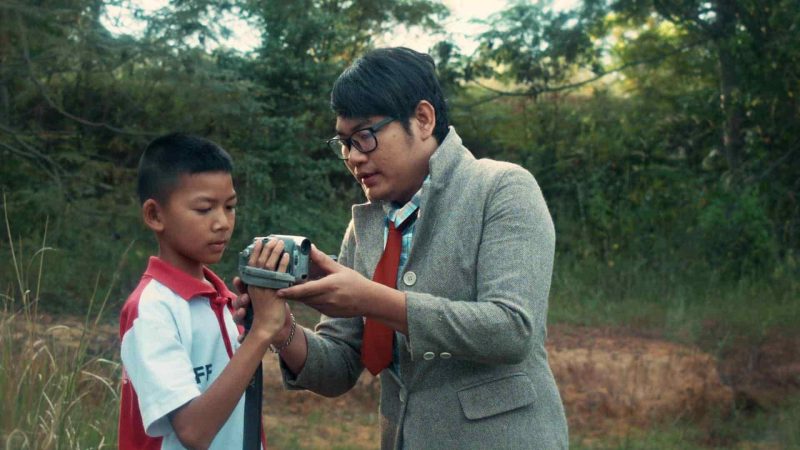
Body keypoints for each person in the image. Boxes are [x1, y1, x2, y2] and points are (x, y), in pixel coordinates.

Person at [235, 47, 568, 449]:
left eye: (365, 137)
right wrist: (281, 328)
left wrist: (372, 300)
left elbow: (512, 330)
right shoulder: (365, 228)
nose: (353, 157)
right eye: (344, 142)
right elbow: (339, 367)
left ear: (423, 119)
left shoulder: (501, 188)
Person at [118, 132, 290, 450]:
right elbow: (193, 432)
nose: (223, 222)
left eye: (230, 207)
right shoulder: (152, 309)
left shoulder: (226, 300)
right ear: (155, 215)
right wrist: (261, 332)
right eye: (204, 209)